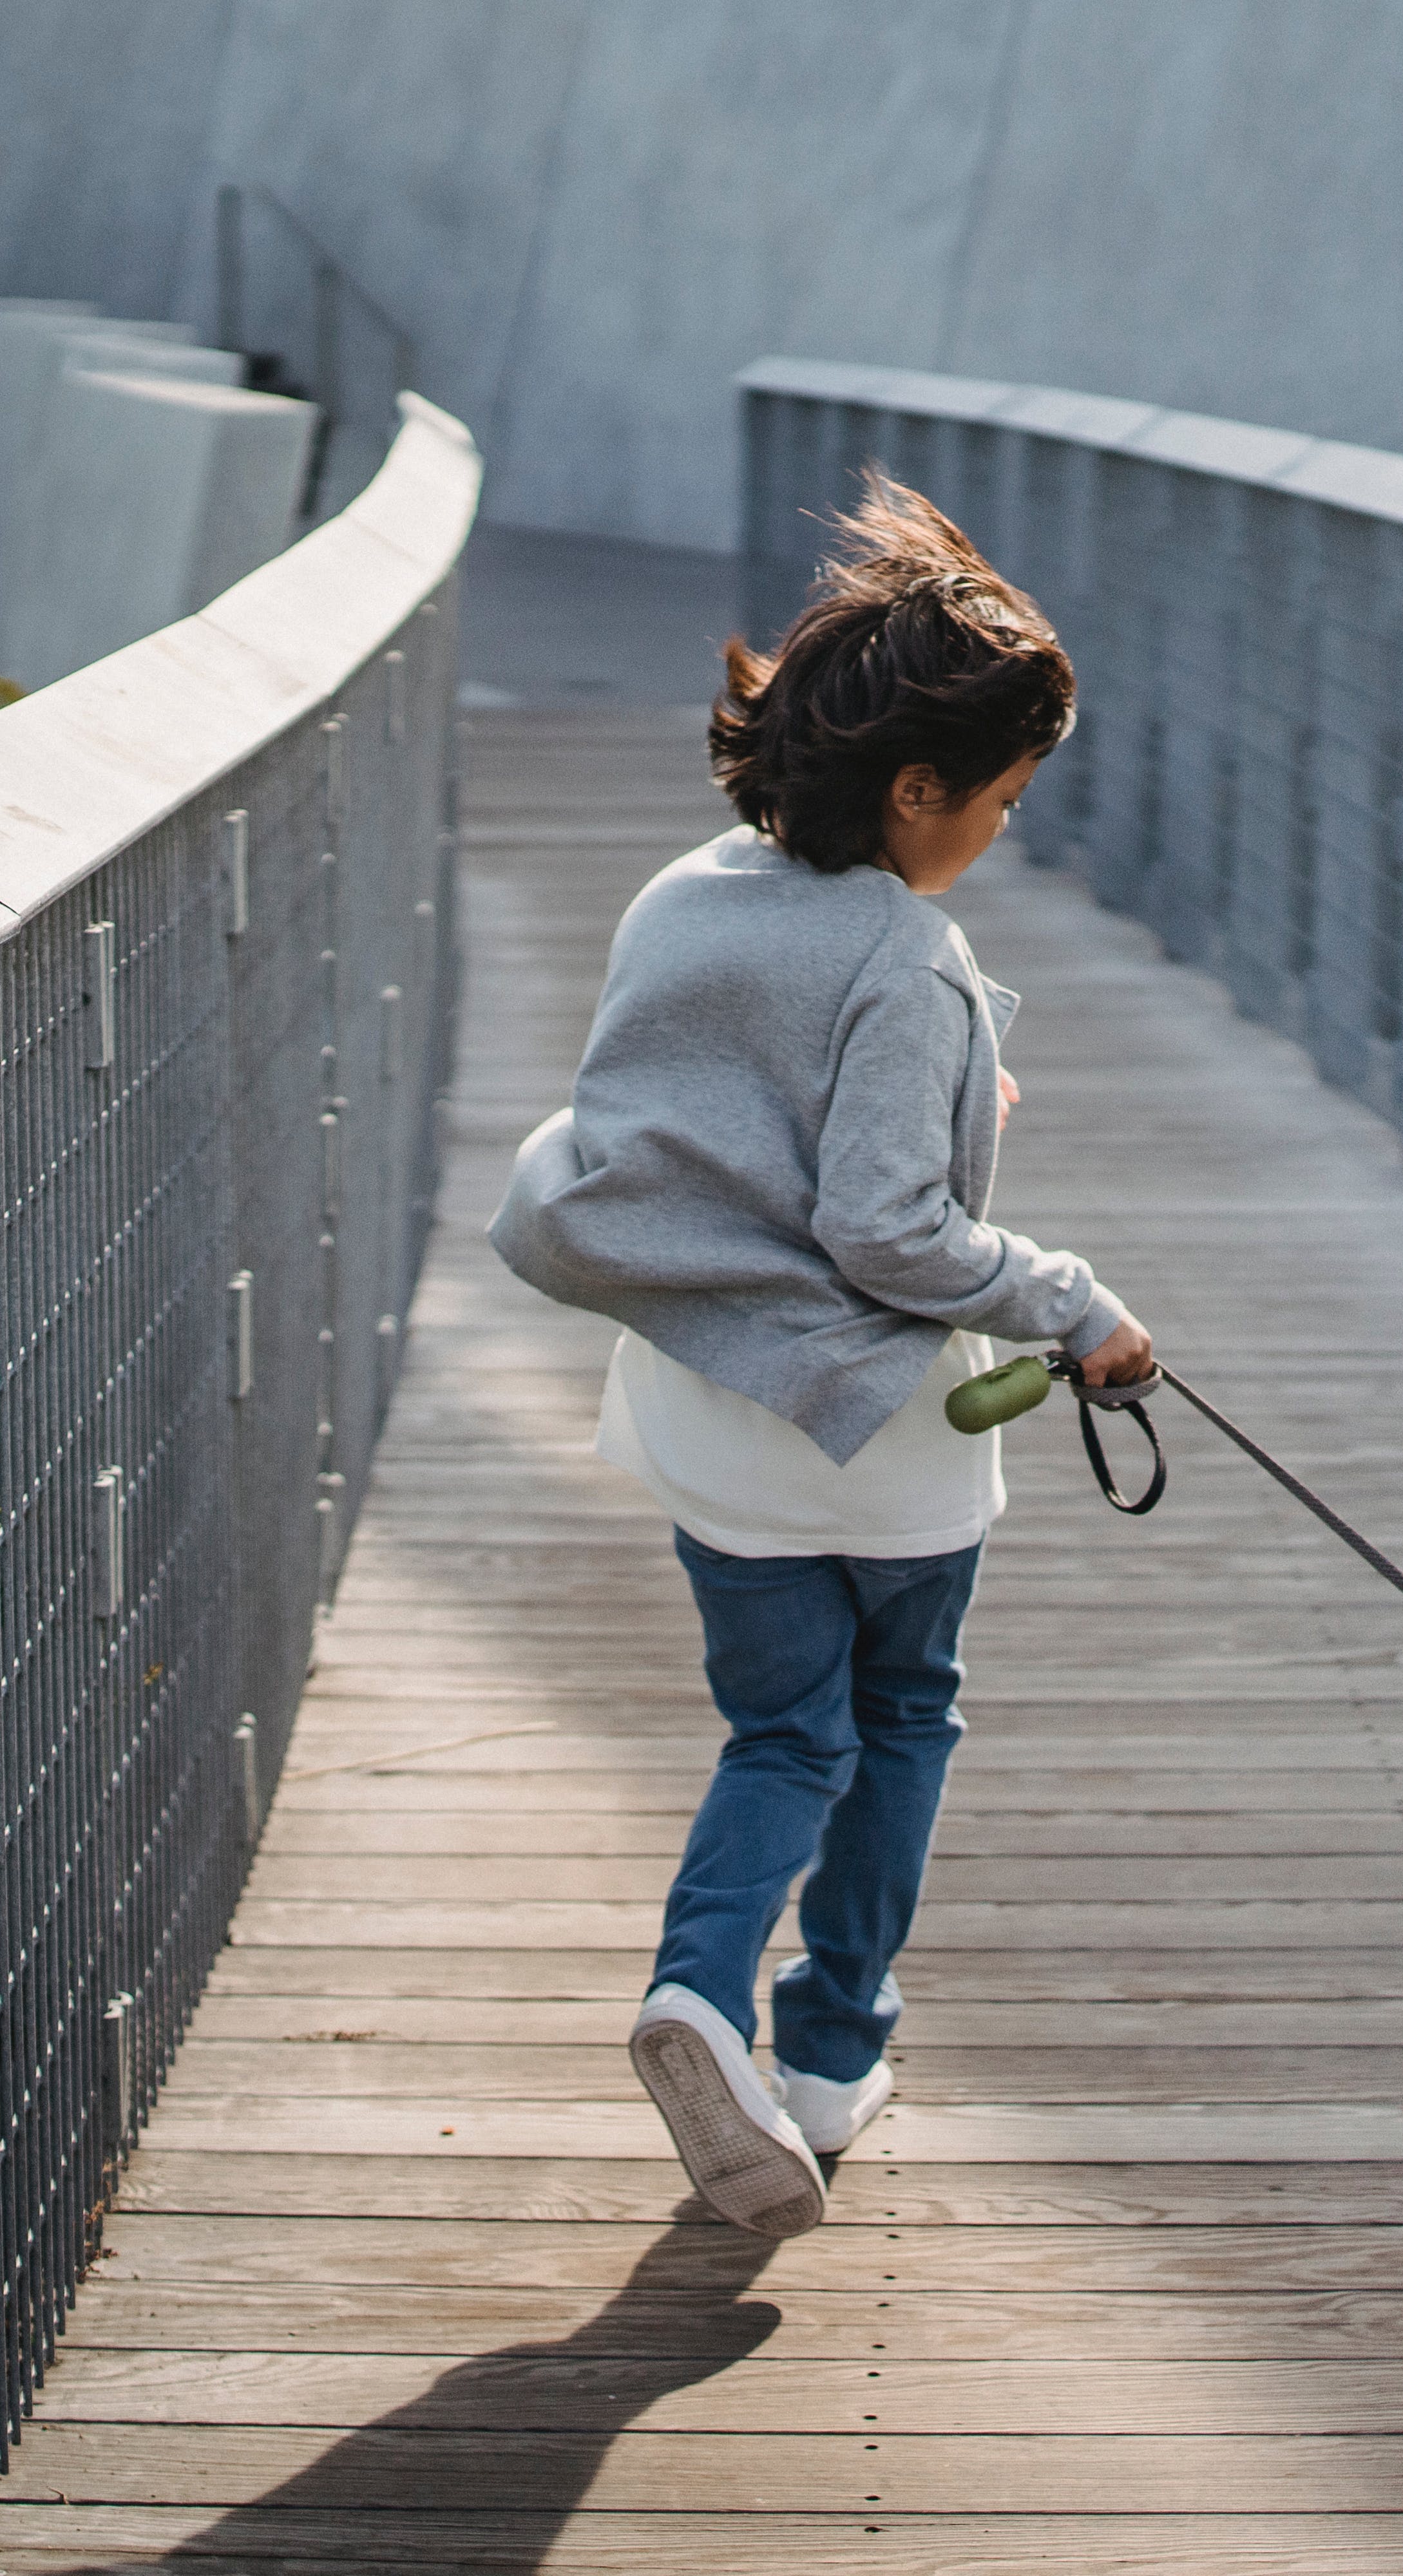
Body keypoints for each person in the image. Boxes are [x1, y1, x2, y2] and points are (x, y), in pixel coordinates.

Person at [488, 472, 1150, 2237]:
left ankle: (695, 1984)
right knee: (902, 1713)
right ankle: (832, 2052)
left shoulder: (683, 895)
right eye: (1001, 804)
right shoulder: (909, 954)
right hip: (892, 1441)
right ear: (920, 791)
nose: (1003, 833)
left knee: (781, 1732)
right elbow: (889, 1236)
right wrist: (1077, 1307)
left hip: (715, 1421)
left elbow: (719, 1116)